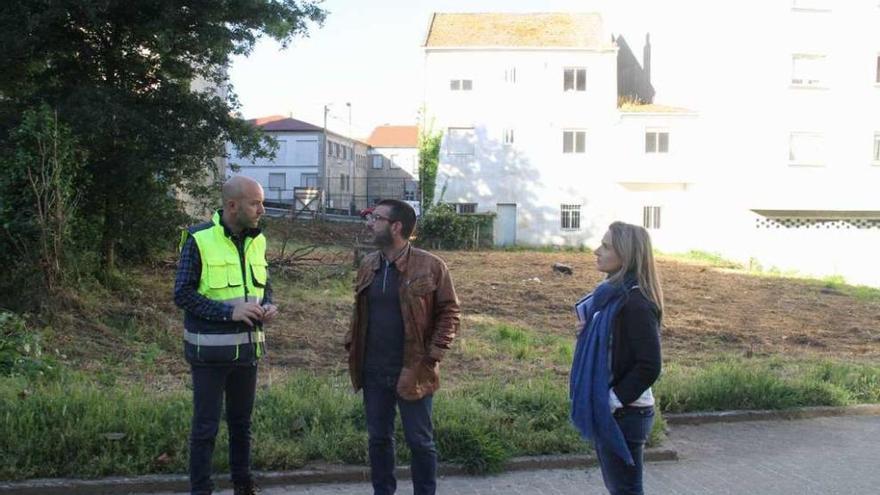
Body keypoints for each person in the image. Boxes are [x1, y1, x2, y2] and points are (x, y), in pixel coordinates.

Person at [345, 199, 460, 495]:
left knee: (420, 442)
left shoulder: (431, 265)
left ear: (396, 227)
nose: (370, 223)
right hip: (373, 368)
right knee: (378, 440)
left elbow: (450, 313)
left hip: (413, 367)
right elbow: (359, 312)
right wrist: (351, 343)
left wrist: (432, 358)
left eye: (377, 218)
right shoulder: (369, 264)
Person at [173, 176, 278, 495]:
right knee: (205, 429)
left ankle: (243, 487)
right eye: (255, 202)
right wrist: (228, 312)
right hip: (210, 354)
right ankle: (200, 490)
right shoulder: (198, 238)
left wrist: (270, 305)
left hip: (248, 353)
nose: (262, 209)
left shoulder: (257, 240)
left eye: (261, 202)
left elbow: (264, 286)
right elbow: (183, 294)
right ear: (232, 206)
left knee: (241, 426)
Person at [569, 221, 663, 495]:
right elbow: (616, 347)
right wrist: (588, 332)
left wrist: (610, 400)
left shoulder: (635, 303)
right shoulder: (611, 297)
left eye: (606, 246)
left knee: (626, 490)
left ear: (626, 254)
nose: (596, 251)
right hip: (619, 411)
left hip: (626, 413)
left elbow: (649, 365)